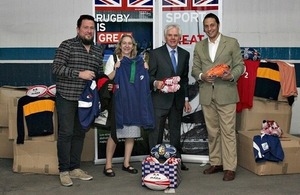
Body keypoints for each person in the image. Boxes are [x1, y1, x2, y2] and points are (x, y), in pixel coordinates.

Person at [191, 13, 245, 181]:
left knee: (228, 131)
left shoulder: (231, 42)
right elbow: (194, 69)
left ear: (218, 25)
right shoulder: (199, 46)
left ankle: (230, 167)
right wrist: (201, 76)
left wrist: (231, 76)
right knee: (213, 132)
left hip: (226, 93)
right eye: (206, 26)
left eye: (212, 25)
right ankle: (216, 162)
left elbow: (240, 66)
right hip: (207, 94)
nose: (209, 29)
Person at [52, 14, 103, 187]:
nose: (89, 31)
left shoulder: (97, 50)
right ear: (78, 29)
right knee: (66, 133)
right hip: (67, 96)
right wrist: (79, 74)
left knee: (80, 133)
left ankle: (75, 168)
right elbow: (57, 68)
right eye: (85, 27)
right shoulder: (67, 45)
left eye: (91, 28)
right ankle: (64, 170)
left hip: (86, 101)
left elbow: (100, 73)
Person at [103, 34, 154, 177]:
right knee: (115, 134)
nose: (126, 46)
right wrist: (116, 68)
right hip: (118, 102)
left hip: (134, 102)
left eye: (129, 43)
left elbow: (144, 80)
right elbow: (106, 79)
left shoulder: (140, 61)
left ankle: (126, 163)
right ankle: (108, 165)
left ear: (133, 46)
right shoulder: (113, 59)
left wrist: (145, 68)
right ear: (120, 45)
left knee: (131, 133)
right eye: (124, 43)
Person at [148, 24, 192, 171]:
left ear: (179, 37)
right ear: (165, 37)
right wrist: (156, 83)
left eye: (175, 35)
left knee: (175, 133)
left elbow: (184, 79)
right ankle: (154, 162)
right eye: (170, 35)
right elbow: (149, 76)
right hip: (159, 101)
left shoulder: (185, 54)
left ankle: (176, 161)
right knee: (156, 134)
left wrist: (186, 99)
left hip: (177, 101)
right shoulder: (155, 54)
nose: (173, 38)